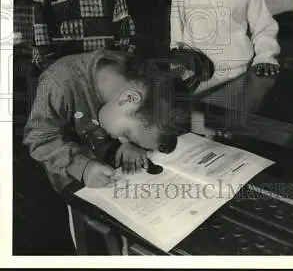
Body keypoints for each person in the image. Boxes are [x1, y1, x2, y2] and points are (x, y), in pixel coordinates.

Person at [23, 49, 193, 193]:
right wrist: (82, 167)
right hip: (67, 170)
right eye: (127, 134)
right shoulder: (58, 83)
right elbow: (39, 139)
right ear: (128, 99)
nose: (125, 138)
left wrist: (131, 144)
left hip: (107, 162)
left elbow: (141, 126)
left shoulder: (140, 83)